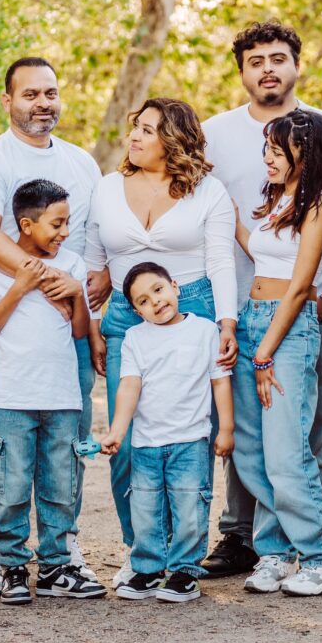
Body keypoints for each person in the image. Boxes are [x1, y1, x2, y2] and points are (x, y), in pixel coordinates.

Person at [202, 21, 322, 578]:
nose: (268, 68)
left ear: (296, 64)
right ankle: (254, 543)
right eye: (256, 61)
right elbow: (211, 213)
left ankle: (317, 544)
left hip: (300, 315)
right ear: (242, 71)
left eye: (278, 58)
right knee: (250, 441)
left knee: (303, 435)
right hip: (236, 313)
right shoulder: (215, 133)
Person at [0, 58, 102, 595]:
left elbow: (91, 242)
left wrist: (88, 307)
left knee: (65, 443)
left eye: (51, 93)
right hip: (12, 327)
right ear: (8, 101)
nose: (43, 103)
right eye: (31, 94)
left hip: (67, 330)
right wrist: (44, 281)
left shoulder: (81, 163)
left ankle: (61, 551)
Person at [85, 97, 238, 588]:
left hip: (192, 311)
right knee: (127, 440)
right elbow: (94, 264)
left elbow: (220, 261)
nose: (135, 137)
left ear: (173, 140)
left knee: (187, 437)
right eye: (136, 128)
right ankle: (142, 551)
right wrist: (93, 323)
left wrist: (227, 323)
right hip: (125, 316)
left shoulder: (208, 192)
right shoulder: (107, 189)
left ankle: (183, 558)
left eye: (148, 130)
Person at [231, 108, 322, 596]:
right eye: (266, 150)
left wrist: (264, 354)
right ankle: (274, 552)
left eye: (277, 151)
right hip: (254, 320)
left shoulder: (321, 207)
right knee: (251, 452)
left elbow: (300, 287)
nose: (268, 159)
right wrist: (219, 207)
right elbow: (260, 254)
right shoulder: (278, 201)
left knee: (286, 451)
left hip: (287, 330)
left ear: (306, 153)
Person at [99, 262, 234, 604]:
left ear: (175, 286)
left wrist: (227, 428)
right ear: (135, 310)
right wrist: (118, 430)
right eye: (143, 301)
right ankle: (148, 567)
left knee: (189, 504)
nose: (155, 302)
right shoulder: (134, 339)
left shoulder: (204, 331)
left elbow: (220, 382)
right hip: (146, 442)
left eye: (158, 290)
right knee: (145, 507)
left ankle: (185, 571)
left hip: (190, 440)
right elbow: (129, 386)